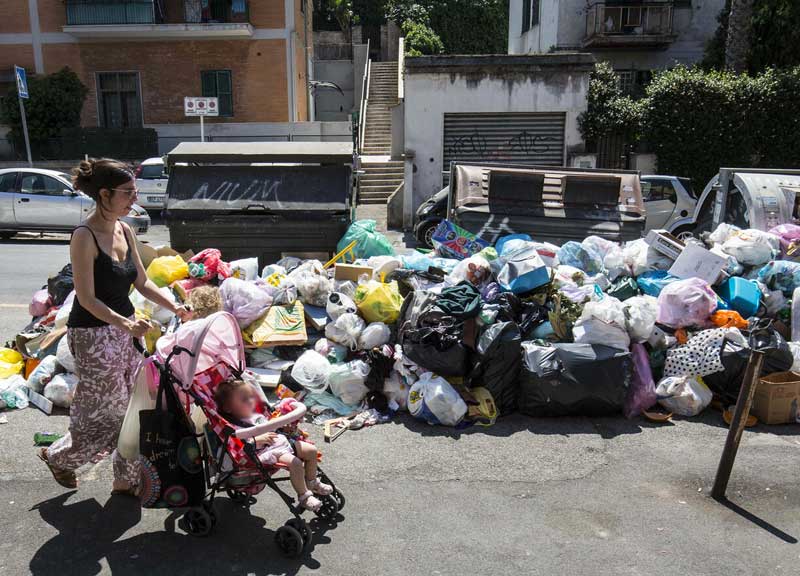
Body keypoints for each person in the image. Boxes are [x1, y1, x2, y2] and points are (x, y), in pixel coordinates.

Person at [39, 158, 193, 496]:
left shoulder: (124, 229)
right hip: (93, 334)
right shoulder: (84, 236)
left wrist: (176, 305)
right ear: (104, 194)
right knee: (107, 417)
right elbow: (87, 298)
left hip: (124, 333)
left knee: (134, 408)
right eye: (127, 192)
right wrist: (127, 323)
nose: (133, 198)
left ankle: (124, 479)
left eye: (134, 191)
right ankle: (59, 456)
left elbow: (141, 280)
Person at [214, 379, 333, 511]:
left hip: (280, 441)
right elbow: (234, 446)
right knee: (296, 463)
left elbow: (272, 422)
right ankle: (304, 496)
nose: (250, 401)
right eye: (244, 399)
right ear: (228, 408)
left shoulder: (254, 415)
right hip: (266, 451)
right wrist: (256, 439)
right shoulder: (234, 427)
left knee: (311, 451)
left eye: (250, 397)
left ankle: (312, 483)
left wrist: (282, 423)